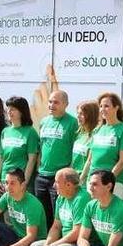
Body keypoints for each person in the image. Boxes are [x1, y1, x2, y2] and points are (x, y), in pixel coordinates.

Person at [28, 167, 91, 246]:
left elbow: (77, 232)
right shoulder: (61, 197)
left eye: (57, 182)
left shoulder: (81, 198)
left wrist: (52, 245)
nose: (53, 185)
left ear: (68, 185)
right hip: (65, 241)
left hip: (80, 243)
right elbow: (56, 226)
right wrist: (47, 245)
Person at [36, 90, 78, 227]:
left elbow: (75, 149)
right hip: (42, 176)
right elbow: (41, 148)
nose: (51, 105)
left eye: (56, 102)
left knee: (58, 217)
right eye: (50, 101)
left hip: (59, 178)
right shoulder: (44, 122)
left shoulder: (72, 123)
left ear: (66, 104)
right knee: (43, 215)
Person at [83, 93, 123, 199]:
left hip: (114, 183)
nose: (102, 109)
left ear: (116, 108)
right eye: (101, 106)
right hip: (92, 182)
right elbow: (90, 160)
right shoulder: (97, 130)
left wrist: (108, 181)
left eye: (106, 106)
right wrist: (82, 178)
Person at [0, 96, 39, 195]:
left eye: (13, 109)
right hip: (5, 180)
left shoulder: (30, 132)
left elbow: (32, 160)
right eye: (8, 109)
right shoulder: (5, 131)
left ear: (22, 112)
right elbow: (1, 157)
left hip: (20, 182)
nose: (9, 112)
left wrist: (24, 182)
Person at [72, 101, 99, 174]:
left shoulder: (96, 135)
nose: (78, 116)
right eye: (78, 113)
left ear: (91, 116)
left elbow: (90, 161)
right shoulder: (80, 134)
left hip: (85, 181)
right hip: (74, 178)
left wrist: (81, 180)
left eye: (81, 114)